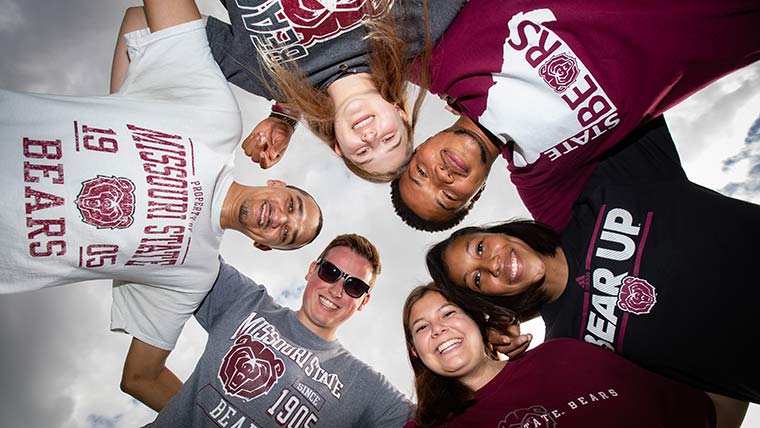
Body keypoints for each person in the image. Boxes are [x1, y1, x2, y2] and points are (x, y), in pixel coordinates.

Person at [0, 0, 323, 411]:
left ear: (266, 246)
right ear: (277, 183)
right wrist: (128, 103)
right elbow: (141, 17)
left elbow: (140, 378)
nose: (279, 218)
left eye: (286, 234)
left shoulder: (195, 273)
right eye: (292, 205)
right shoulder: (217, 121)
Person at [425, 116, 760, 404]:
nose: (491, 265)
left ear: (499, 232)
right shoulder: (569, 349)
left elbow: (594, 93)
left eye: (480, 249)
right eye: (478, 280)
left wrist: (475, 113)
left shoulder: (603, 188)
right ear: (490, 300)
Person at [391, 0, 760, 231]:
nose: (440, 177)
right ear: (476, 193)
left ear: (420, 143)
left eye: (421, 173)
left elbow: (350, 47)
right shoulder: (541, 177)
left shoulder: (430, 62)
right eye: (448, 197)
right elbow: (566, 270)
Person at [144, 233, 413, 426]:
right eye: (330, 271)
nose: (337, 290)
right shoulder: (247, 301)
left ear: (363, 302)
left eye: (354, 286)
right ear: (311, 271)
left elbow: (445, 420)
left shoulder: (363, 384)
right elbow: (185, 244)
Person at [402, 283, 748, 428]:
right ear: (417, 353)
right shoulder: (434, 424)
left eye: (449, 313)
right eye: (421, 327)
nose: (438, 329)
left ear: (477, 320)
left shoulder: (565, 354)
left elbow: (708, 412)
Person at [205, 0, 466, 181]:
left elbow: (177, 28)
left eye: (363, 152)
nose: (372, 137)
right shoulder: (414, 32)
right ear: (400, 113)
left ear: (338, 147)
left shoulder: (270, 79)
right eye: (389, 139)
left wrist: (287, 112)